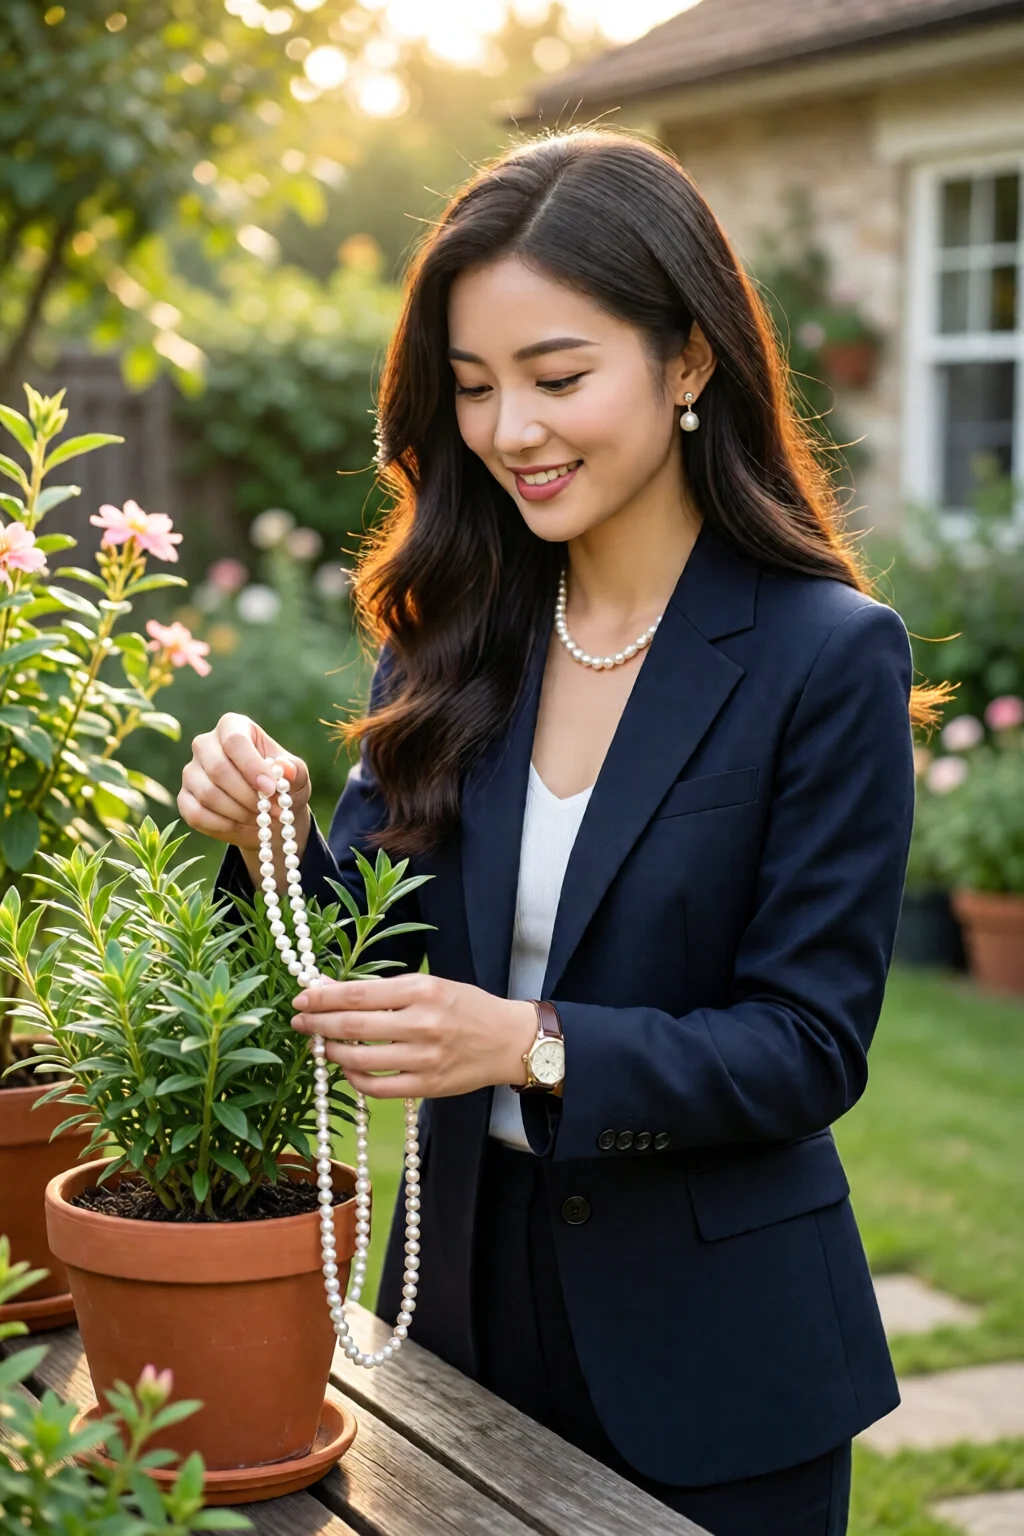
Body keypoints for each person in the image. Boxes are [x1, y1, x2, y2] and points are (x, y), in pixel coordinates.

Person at [180, 128, 949, 1536]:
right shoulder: (451, 636)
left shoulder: (826, 657)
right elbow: (370, 952)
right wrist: (264, 838)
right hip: (457, 1302)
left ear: (690, 361)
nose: (509, 430)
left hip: (719, 1357)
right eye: (472, 388)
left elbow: (807, 1045)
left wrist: (528, 1043)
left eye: (558, 376)